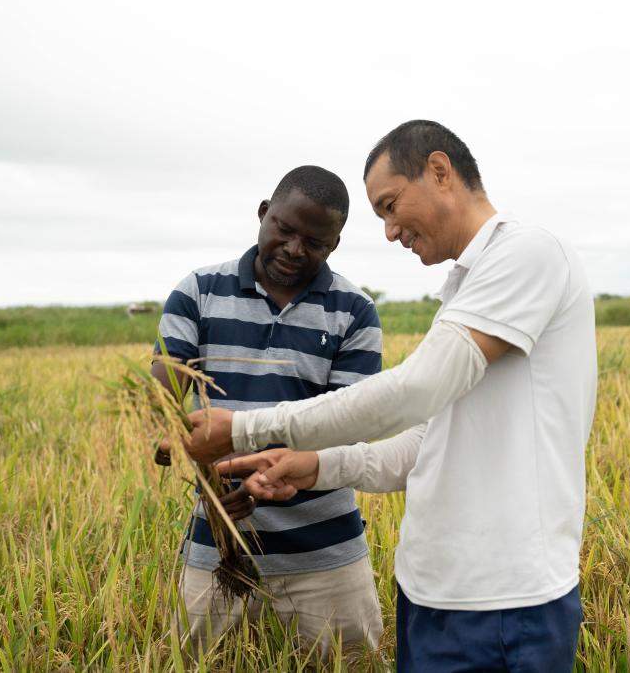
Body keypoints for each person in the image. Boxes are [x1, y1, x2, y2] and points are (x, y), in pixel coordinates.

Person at [165, 121, 598, 671]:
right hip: (433, 595)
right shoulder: (465, 288)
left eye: (390, 206)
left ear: (440, 172)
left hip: (505, 600)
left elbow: (416, 388)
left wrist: (246, 429)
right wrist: (313, 467)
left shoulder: (528, 254)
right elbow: (425, 444)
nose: (391, 232)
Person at [151, 165, 384, 655]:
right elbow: (163, 419)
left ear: (334, 245)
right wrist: (216, 485)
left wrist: (256, 468)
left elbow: (350, 427)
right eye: (284, 229)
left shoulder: (354, 311)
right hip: (217, 544)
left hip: (325, 551)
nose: (295, 249)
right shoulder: (199, 292)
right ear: (263, 213)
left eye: (315, 242)